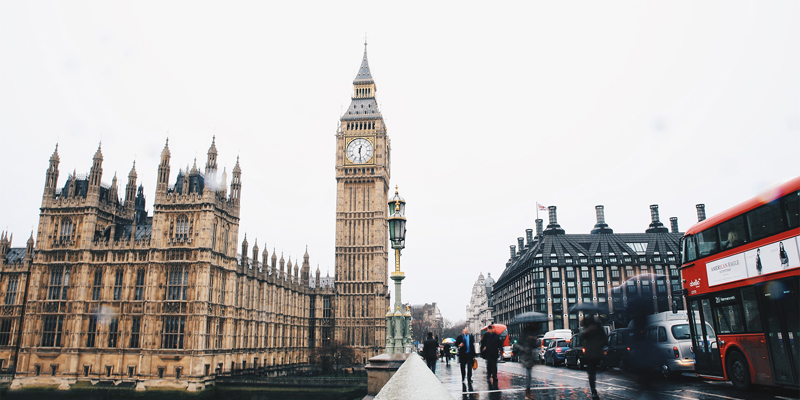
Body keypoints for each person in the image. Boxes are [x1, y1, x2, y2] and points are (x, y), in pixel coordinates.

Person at [582, 314, 608, 400]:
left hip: (594, 352)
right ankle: (593, 391)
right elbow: (583, 336)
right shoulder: (589, 328)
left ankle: (594, 391)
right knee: (592, 373)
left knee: (592, 373)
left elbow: (604, 338)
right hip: (591, 353)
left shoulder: (598, 327)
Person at [514, 325, 538, 398]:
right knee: (528, 375)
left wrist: (534, 340)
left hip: (529, 357)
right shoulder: (524, 337)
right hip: (525, 358)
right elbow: (519, 345)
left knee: (528, 375)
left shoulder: (530, 336)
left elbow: (535, 346)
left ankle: (528, 391)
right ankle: (527, 391)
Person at [480, 324, 502, 389]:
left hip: (494, 353)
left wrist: (500, 349)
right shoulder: (486, 336)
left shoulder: (496, 336)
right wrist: (483, 348)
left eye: (491, 329)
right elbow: (482, 343)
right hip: (488, 353)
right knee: (489, 365)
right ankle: (489, 374)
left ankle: (494, 376)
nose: (490, 330)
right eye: (489, 329)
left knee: (494, 365)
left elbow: (499, 344)